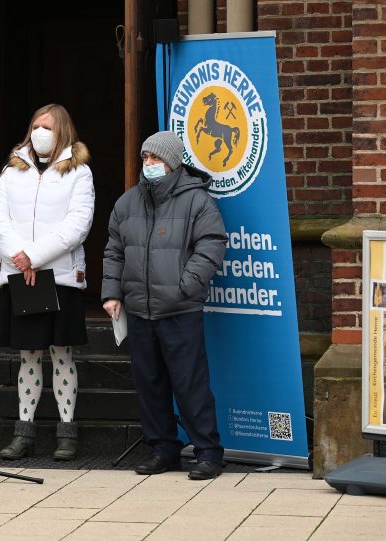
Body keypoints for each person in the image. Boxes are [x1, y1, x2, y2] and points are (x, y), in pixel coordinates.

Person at [101, 130, 227, 480]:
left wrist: (184, 286)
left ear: (172, 162)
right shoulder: (127, 203)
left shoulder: (197, 202)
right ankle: (163, 449)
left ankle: (208, 453)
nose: (149, 164)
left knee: (190, 384)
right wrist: (112, 293)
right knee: (150, 383)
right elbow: (113, 250)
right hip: (140, 311)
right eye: (145, 158)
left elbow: (211, 245)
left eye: (155, 158)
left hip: (180, 310)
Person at [0, 103, 95, 461]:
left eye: (47, 126)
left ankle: (66, 433)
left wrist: (34, 256)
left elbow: (78, 224)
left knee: (61, 353)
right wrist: (20, 257)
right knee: (28, 354)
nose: (40, 132)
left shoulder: (79, 172)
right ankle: (24, 433)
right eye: (35, 125)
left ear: (62, 130)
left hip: (59, 276)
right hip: (21, 276)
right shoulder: (11, 170)